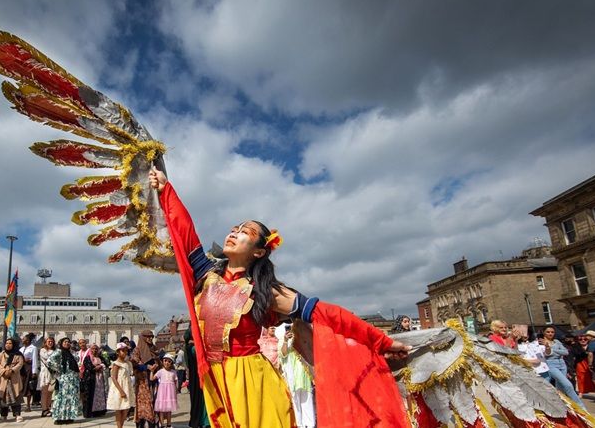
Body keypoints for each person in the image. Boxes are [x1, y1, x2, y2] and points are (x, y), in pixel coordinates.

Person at [151, 169, 409, 428]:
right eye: (234, 229)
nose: (234, 233)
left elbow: (327, 314)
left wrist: (381, 341)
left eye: (245, 233)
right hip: (215, 381)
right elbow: (185, 232)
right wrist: (166, 190)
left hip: (253, 383)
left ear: (259, 251)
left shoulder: (266, 291)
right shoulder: (206, 275)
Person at [280, 323, 315, 428]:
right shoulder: (285, 341)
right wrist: (286, 340)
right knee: (296, 403)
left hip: (305, 376)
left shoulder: (304, 341)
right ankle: (299, 425)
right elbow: (283, 354)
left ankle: (310, 425)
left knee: (307, 402)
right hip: (292, 377)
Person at [541, 326, 586, 407]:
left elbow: (565, 352)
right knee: (568, 385)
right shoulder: (541, 342)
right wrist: (557, 351)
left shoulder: (556, 341)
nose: (550, 333)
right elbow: (548, 354)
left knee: (560, 387)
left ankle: (561, 405)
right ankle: (580, 406)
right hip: (551, 364)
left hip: (562, 364)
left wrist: (552, 348)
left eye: (552, 332)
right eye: (548, 332)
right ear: (543, 332)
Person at [46, 338, 82, 425]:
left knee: (71, 398)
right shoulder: (59, 351)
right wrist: (58, 369)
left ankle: (69, 416)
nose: (67, 343)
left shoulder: (71, 352)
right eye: (65, 342)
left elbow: (77, 359)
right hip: (64, 378)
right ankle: (59, 417)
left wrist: (72, 351)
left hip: (73, 379)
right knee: (62, 398)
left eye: (69, 342)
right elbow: (49, 361)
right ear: (61, 343)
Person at [132, 330, 158, 428]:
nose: (151, 338)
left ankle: (154, 423)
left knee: (154, 402)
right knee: (143, 403)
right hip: (142, 381)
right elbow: (134, 364)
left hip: (154, 379)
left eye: (152, 337)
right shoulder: (137, 350)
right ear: (143, 338)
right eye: (148, 336)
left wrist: (157, 365)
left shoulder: (154, 348)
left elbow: (158, 360)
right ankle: (141, 423)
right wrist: (146, 367)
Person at [182, 328, 208, 428]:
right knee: (199, 400)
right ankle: (201, 421)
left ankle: (200, 421)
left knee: (198, 400)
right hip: (197, 377)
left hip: (196, 377)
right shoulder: (192, 348)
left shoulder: (188, 347)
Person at [0, 338, 25, 423]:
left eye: (10, 343)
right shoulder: (1, 354)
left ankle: (17, 415)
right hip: (4, 378)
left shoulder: (18, 355)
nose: (8, 345)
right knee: (3, 397)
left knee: (16, 396)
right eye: (6, 343)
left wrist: (11, 370)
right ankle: (3, 415)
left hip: (14, 378)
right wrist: (4, 371)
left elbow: (20, 364)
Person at [107, 343, 134, 428]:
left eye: (126, 351)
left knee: (126, 408)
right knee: (119, 408)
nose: (125, 352)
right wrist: (121, 390)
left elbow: (130, 375)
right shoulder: (116, 364)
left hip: (127, 386)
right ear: (118, 352)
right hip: (119, 388)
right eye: (123, 351)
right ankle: (119, 426)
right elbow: (114, 378)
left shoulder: (128, 363)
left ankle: (121, 425)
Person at [151, 354, 178, 428]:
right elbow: (152, 378)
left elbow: (176, 382)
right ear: (162, 361)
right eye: (165, 361)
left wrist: (176, 391)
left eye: (169, 361)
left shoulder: (173, 372)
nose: (167, 363)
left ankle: (169, 424)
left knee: (169, 409)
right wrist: (152, 371)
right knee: (161, 409)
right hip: (162, 393)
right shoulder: (160, 371)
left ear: (171, 363)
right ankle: (162, 424)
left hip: (170, 393)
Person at [82, 343, 108, 418]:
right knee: (90, 395)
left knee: (99, 395)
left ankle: (99, 411)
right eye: (93, 349)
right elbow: (88, 366)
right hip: (91, 378)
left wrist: (101, 366)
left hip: (99, 380)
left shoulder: (101, 357)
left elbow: (106, 364)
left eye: (96, 349)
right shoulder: (88, 357)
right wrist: (96, 368)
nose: (94, 350)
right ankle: (89, 412)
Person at [19, 333, 38, 413]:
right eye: (22, 339)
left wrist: (34, 372)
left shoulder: (33, 348)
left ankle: (28, 405)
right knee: (20, 386)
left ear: (28, 340)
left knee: (28, 386)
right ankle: (19, 404)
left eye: (24, 339)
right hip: (21, 368)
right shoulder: (21, 349)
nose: (23, 340)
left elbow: (35, 360)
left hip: (28, 368)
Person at [38, 337, 56, 417]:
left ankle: (48, 408)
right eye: (49, 341)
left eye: (52, 341)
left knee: (50, 392)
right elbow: (47, 358)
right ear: (45, 343)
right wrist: (54, 354)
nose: (50, 343)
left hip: (53, 373)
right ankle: (44, 409)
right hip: (45, 373)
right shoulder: (42, 350)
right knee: (44, 392)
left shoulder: (55, 351)